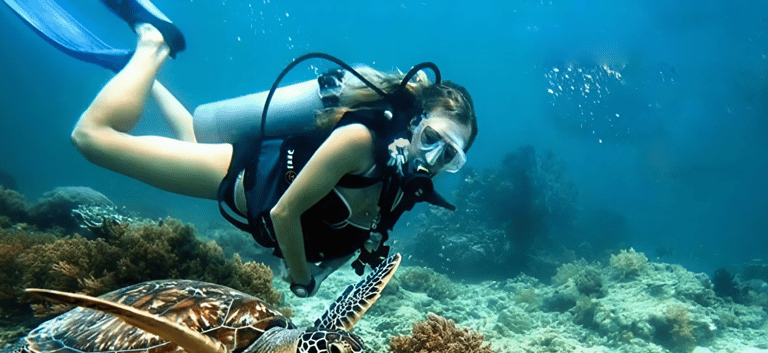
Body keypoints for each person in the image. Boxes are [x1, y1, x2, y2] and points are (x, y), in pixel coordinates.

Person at [4, 0, 478, 297]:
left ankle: (132, 72)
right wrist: (300, 279)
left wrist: (331, 267)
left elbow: (359, 232)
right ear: (414, 123)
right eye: (432, 139)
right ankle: (151, 44)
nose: (432, 160)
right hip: (235, 175)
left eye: (450, 156)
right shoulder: (359, 142)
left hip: (250, 176)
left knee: (191, 131)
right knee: (92, 139)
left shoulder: (404, 186)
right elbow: (284, 215)